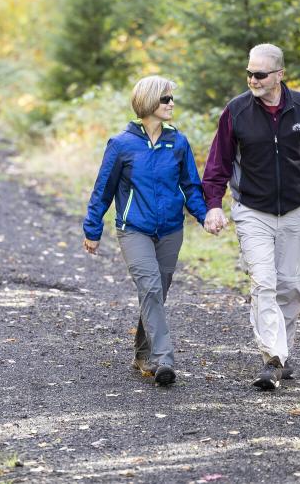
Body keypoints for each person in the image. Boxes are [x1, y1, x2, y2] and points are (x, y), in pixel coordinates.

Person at [202, 44, 300, 391]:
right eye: (249, 73)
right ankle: (272, 357)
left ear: (279, 75)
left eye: (259, 74)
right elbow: (218, 164)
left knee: (291, 287)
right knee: (264, 283)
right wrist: (213, 203)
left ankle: (282, 353)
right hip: (252, 211)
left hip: (298, 210)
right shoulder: (236, 111)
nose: (252, 80)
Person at [83, 76, 208, 387]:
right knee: (150, 288)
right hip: (133, 230)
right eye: (166, 99)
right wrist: (93, 228)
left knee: (157, 293)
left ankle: (142, 353)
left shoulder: (177, 142)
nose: (171, 104)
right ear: (150, 102)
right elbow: (103, 190)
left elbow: (191, 186)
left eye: (171, 99)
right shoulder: (122, 144)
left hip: (170, 230)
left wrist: (205, 216)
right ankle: (164, 358)